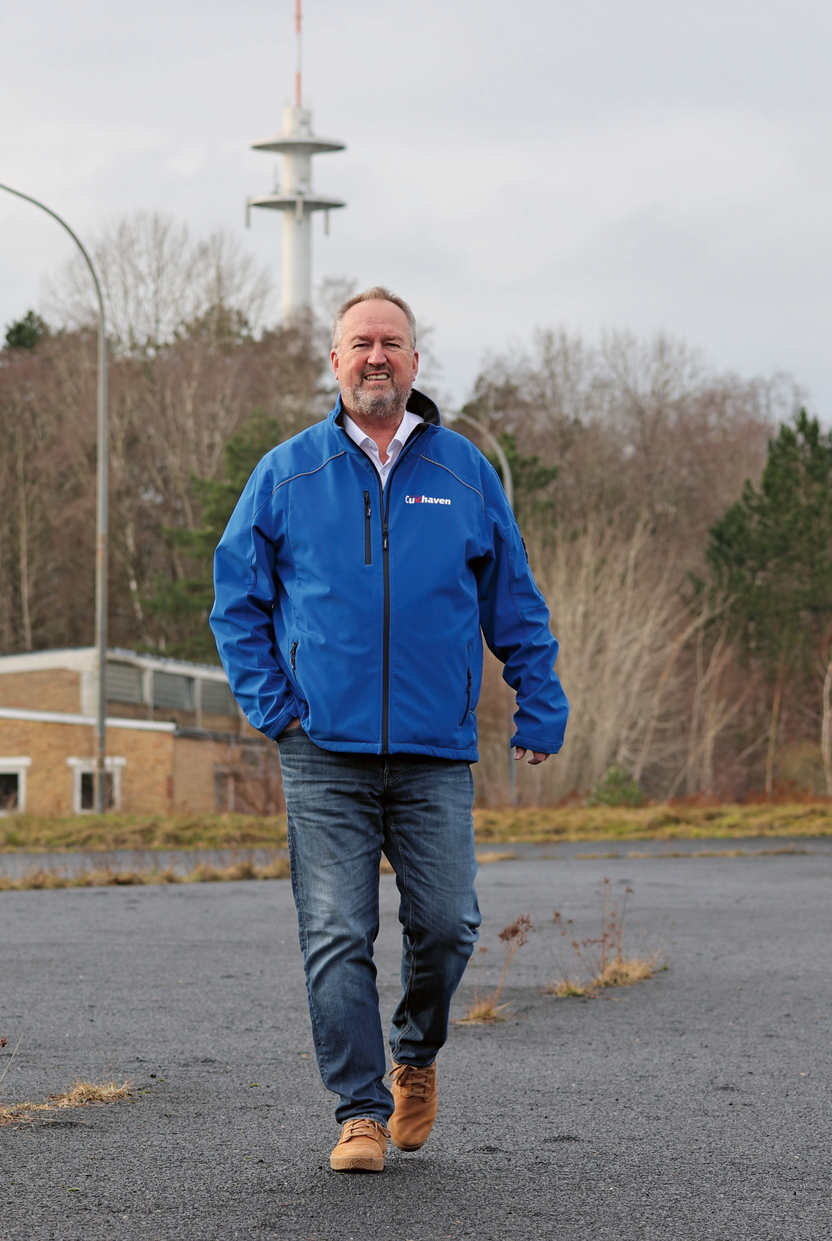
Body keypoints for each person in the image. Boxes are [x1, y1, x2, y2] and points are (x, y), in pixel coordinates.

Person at [211, 287, 568, 1172]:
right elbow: (235, 601)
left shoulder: (464, 472)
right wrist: (275, 707)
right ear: (335, 362)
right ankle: (360, 1112)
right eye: (360, 342)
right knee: (335, 931)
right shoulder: (286, 473)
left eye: (393, 343)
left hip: (434, 749)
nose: (377, 356)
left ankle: (415, 1056)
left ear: (415, 362)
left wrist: (541, 699)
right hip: (322, 749)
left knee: (446, 925)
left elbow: (514, 600)